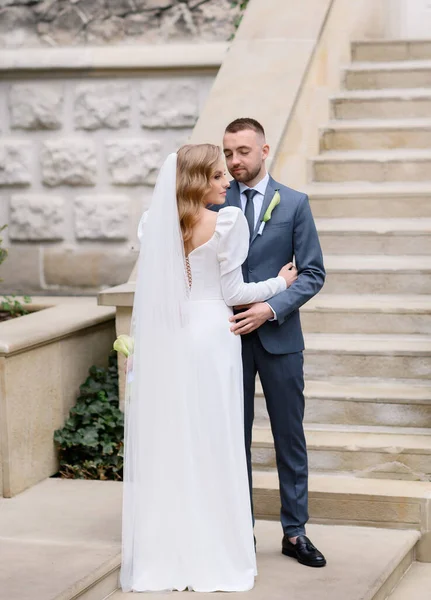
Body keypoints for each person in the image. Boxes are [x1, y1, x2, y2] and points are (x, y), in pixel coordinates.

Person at [120, 144, 298, 593]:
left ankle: (170, 550)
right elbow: (235, 291)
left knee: (178, 438)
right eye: (218, 176)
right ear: (199, 179)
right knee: (215, 439)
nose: (226, 183)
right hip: (214, 336)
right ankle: (217, 549)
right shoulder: (226, 222)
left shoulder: (156, 223)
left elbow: (160, 290)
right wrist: (281, 281)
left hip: (175, 338)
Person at [221, 118, 326, 568]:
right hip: (226, 340)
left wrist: (271, 306)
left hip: (280, 337)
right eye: (227, 153)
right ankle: (238, 529)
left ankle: (295, 532)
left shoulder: (296, 204)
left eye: (243, 151)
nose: (234, 161)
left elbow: (313, 273)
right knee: (231, 437)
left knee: (289, 436)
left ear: (265, 151)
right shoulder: (213, 200)